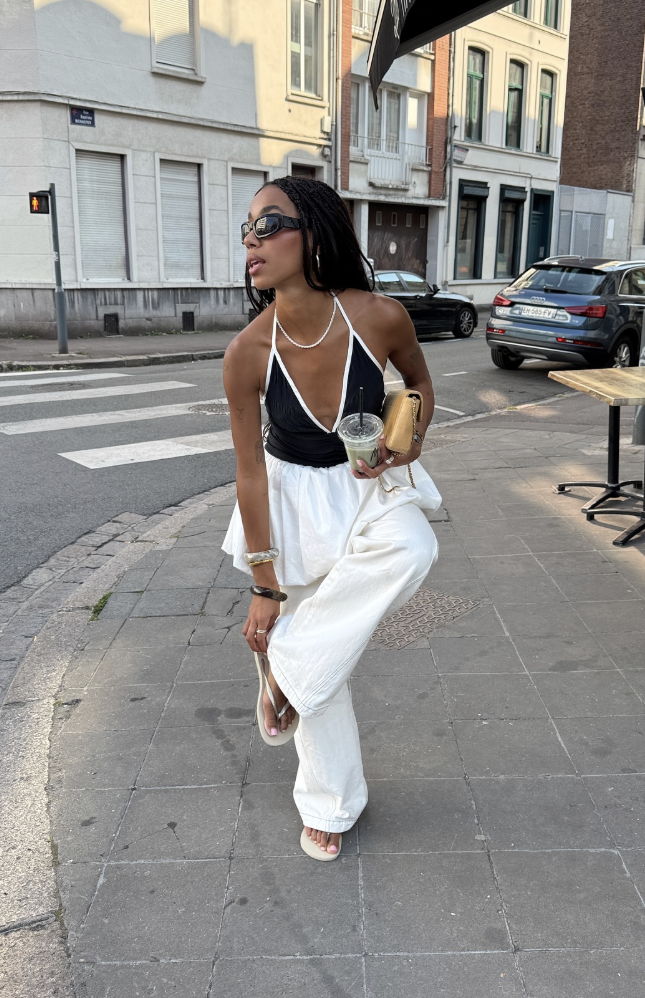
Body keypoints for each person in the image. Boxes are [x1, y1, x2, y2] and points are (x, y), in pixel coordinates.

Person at [222, 176, 440, 860]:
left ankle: (283, 667)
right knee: (330, 670)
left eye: (269, 225)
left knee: (413, 546)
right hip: (289, 503)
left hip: (366, 488)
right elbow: (250, 469)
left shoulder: (379, 316)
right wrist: (264, 584)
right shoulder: (248, 352)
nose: (251, 241)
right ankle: (330, 804)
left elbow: (421, 387)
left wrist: (408, 436)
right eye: (247, 230)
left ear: (314, 233)